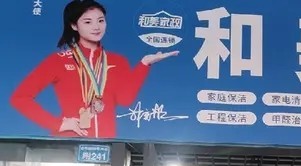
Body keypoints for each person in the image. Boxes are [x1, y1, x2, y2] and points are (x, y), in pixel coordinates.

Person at [10, 0, 178, 138]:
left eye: (100, 20)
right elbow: (20, 97)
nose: (96, 27)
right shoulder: (58, 60)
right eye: (88, 22)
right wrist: (57, 124)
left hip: (108, 145)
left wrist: (144, 64)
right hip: (67, 145)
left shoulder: (117, 61)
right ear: (74, 25)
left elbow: (125, 99)